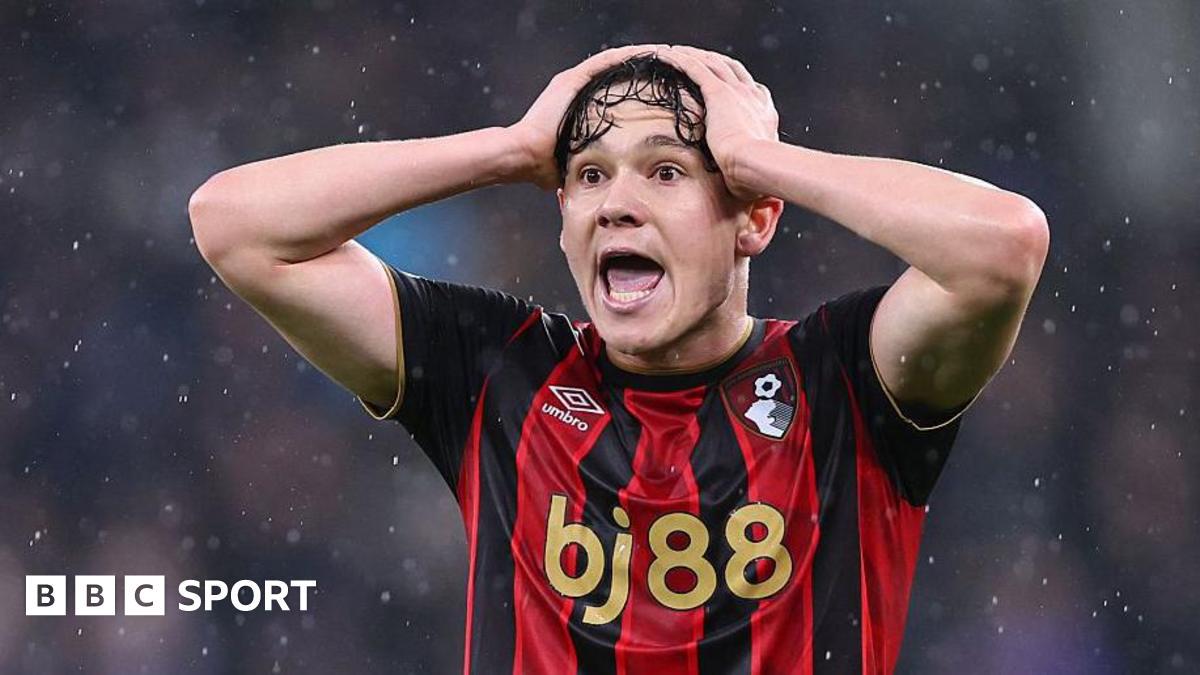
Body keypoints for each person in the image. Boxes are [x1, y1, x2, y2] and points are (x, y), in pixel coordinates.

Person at [188, 43, 1048, 674]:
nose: (617, 205)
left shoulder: (843, 377)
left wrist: (756, 157)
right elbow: (234, 225)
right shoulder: (502, 372)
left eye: (666, 172)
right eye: (590, 176)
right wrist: (508, 149)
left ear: (755, 218)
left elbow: (1003, 246)